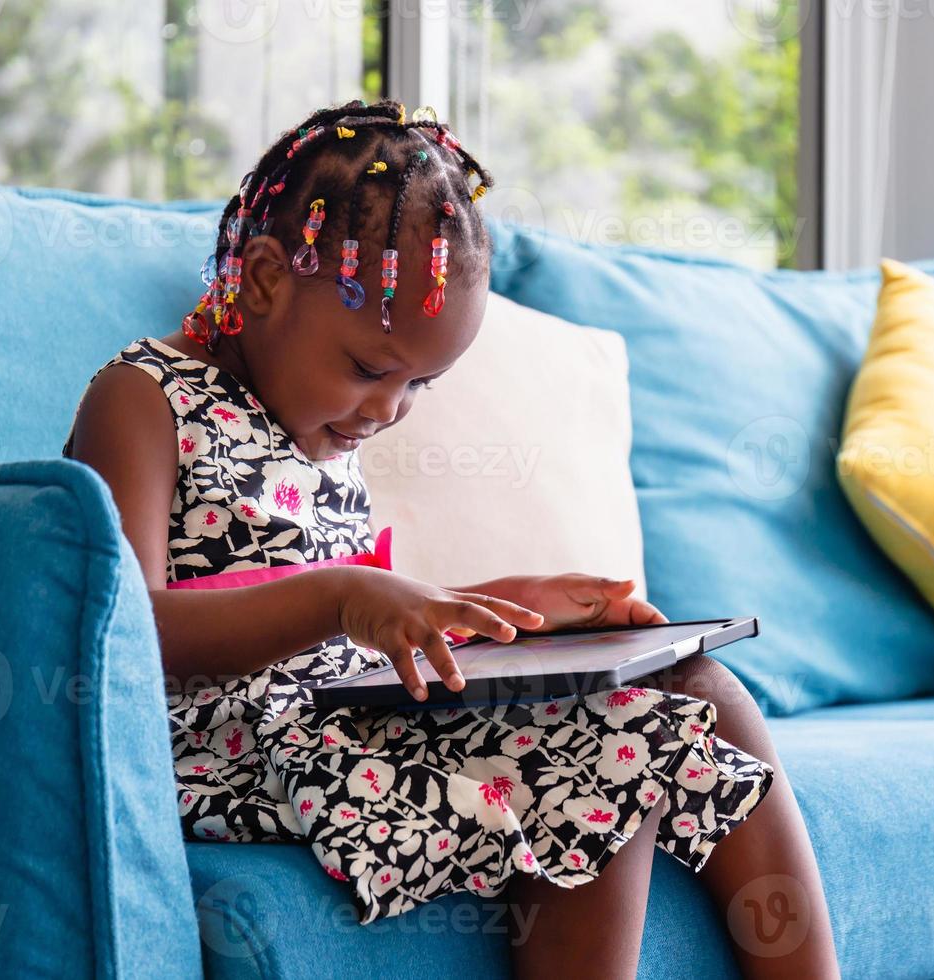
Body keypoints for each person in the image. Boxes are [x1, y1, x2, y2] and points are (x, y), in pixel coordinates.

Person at [66, 99, 838, 978]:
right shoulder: (144, 397)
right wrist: (341, 596)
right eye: (369, 369)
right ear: (267, 278)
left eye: (418, 387)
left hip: (343, 714)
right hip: (235, 752)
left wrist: (507, 609)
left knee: (699, 683)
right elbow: (127, 637)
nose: (387, 411)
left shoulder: (313, 417)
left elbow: (356, 633)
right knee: (609, 754)